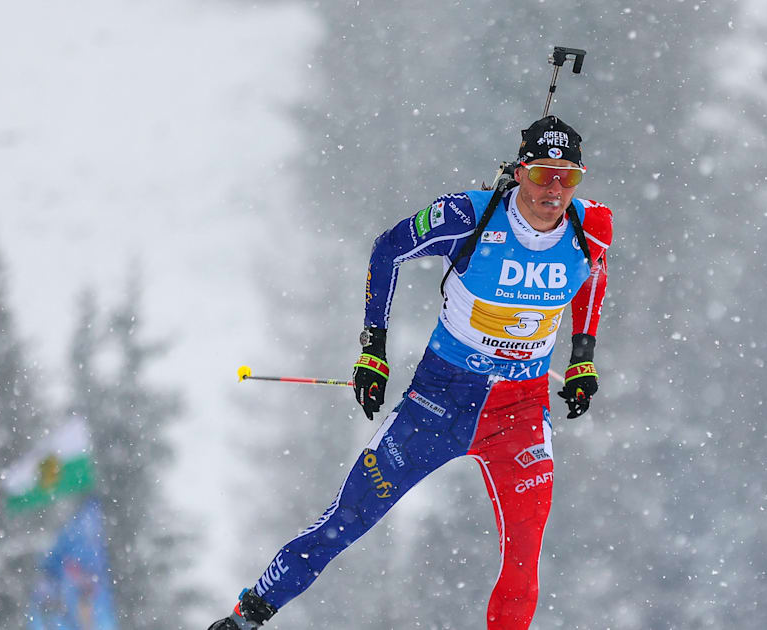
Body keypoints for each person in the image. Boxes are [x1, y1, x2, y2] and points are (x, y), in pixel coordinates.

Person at [208, 115, 613, 630]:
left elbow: (593, 277)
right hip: (437, 403)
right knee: (347, 521)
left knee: (524, 557)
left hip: (521, 412)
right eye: (541, 175)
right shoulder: (469, 215)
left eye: (568, 177)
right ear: (519, 173)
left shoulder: (592, 225)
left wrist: (582, 356)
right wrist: (372, 349)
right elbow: (387, 250)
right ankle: (248, 615)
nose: (554, 190)